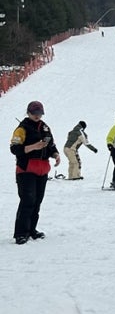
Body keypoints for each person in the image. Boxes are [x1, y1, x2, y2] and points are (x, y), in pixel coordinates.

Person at [10, 101, 61, 244]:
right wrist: (34, 146)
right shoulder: (22, 128)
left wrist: (56, 154)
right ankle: (21, 233)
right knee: (28, 201)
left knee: (37, 201)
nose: (37, 116)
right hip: (26, 170)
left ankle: (32, 229)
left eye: (39, 113)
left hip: (42, 170)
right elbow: (15, 148)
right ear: (28, 113)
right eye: (34, 113)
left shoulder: (45, 127)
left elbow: (51, 145)